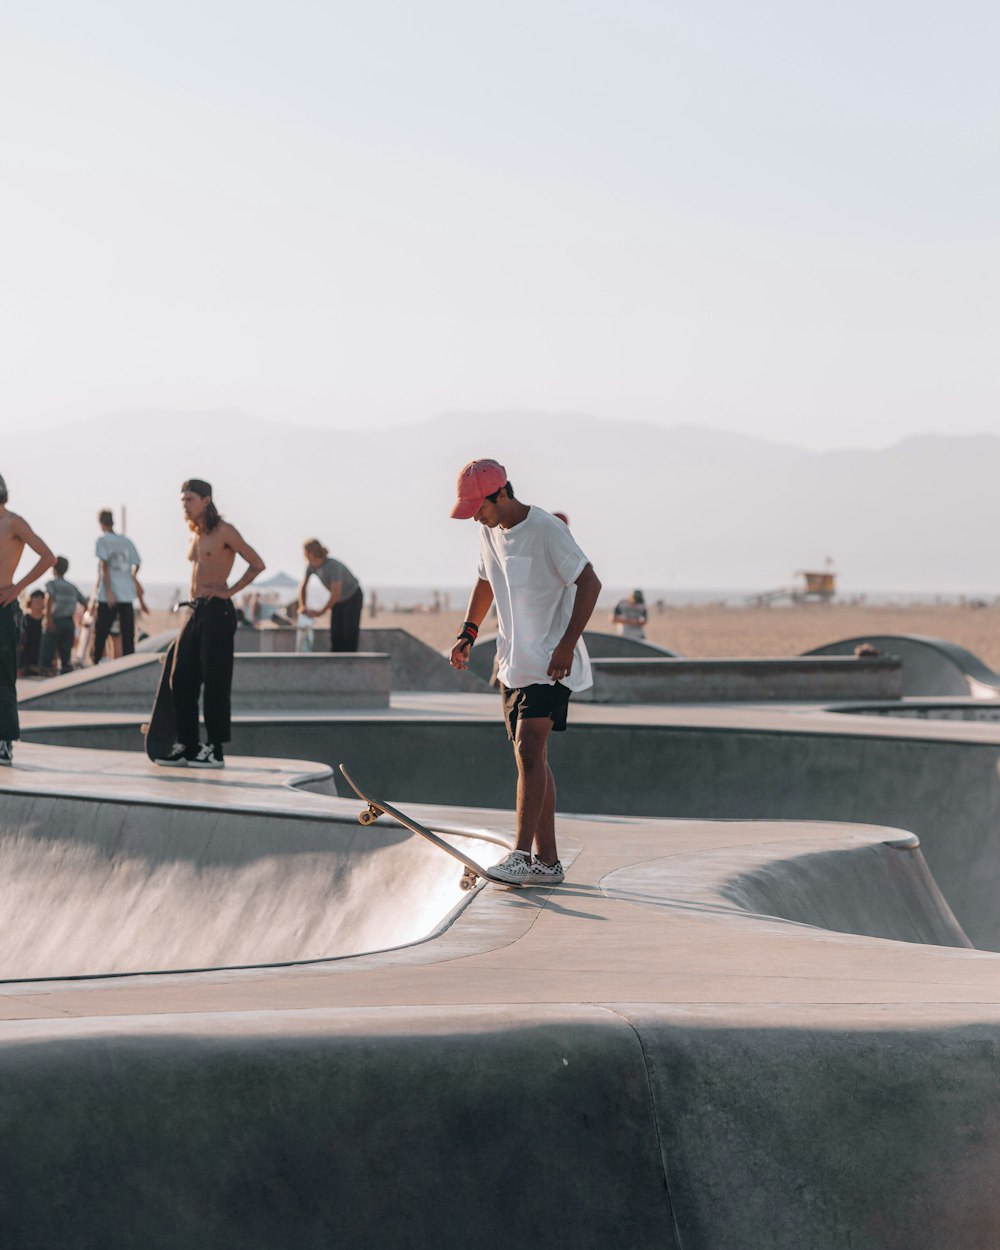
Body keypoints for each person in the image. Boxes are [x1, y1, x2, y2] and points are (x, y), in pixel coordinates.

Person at [449, 459, 601, 886]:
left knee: (530, 750)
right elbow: (485, 581)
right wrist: (467, 632)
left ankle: (519, 855)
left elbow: (590, 583)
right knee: (529, 758)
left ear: (501, 494)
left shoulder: (548, 530)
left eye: (480, 506)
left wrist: (567, 643)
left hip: (551, 661)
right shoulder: (488, 531)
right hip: (512, 661)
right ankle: (548, 863)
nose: (476, 516)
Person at [155, 479, 265, 768]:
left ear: (206, 501)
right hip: (194, 610)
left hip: (218, 611)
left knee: (215, 681)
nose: (185, 505)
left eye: (189, 499)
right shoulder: (195, 534)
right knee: (180, 678)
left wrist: (228, 591)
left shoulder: (224, 531)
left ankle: (215, 749)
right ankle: (189, 745)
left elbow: (257, 563)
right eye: (182, 500)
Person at [0, 474, 56, 763]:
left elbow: (48, 557)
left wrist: (17, 588)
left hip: (3, 606)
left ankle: (5, 739)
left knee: (4, 675)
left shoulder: (13, 523)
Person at [92, 509, 141, 664]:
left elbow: (104, 565)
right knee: (128, 633)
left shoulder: (102, 540)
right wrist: (131, 577)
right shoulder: (126, 541)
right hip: (126, 593)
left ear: (100, 523)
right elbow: (137, 563)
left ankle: (96, 661)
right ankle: (129, 663)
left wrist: (108, 590)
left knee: (102, 631)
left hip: (109, 595)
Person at [298, 540, 363, 652]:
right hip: (338, 600)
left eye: (306, 553)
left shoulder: (332, 566)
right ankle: (336, 661)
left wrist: (320, 612)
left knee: (349, 634)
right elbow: (303, 586)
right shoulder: (311, 567)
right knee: (335, 633)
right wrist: (302, 605)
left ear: (312, 552)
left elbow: (335, 594)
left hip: (352, 597)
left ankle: (350, 662)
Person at [40, 557, 88, 674]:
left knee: (48, 647)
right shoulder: (72, 587)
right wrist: (81, 620)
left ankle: (46, 670)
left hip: (56, 620)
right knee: (66, 650)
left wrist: (48, 618)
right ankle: (65, 670)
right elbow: (85, 603)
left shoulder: (52, 584)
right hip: (69, 622)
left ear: (53, 569)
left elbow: (49, 600)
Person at [18, 590, 46, 676]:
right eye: (36, 600)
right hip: (24, 663)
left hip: (42, 663)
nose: (38, 602)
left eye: (41, 600)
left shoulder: (47, 621)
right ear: (30, 602)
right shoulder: (24, 620)